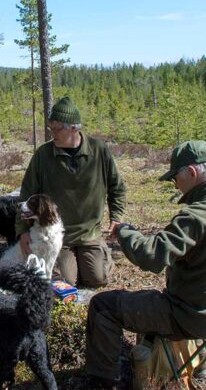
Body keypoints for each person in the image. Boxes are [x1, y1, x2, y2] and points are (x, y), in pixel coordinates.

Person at [84, 140, 206, 387]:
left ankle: (105, 383)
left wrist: (125, 232)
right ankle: (201, 363)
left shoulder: (198, 215)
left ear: (193, 173)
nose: (175, 184)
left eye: (176, 177)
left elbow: (151, 257)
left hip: (191, 316)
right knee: (145, 300)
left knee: (102, 305)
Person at [17, 96, 126, 288]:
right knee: (66, 282)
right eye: (50, 128)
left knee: (97, 279)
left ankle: (98, 257)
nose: (52, 134)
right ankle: (72, 263)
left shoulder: (99, 151)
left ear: (74, 128)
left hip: (89, 233)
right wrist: (22, 231)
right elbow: (26, 194)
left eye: (57, 129)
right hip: (57, 235)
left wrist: (116, 217)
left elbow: (116, 187)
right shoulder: (43, 155)